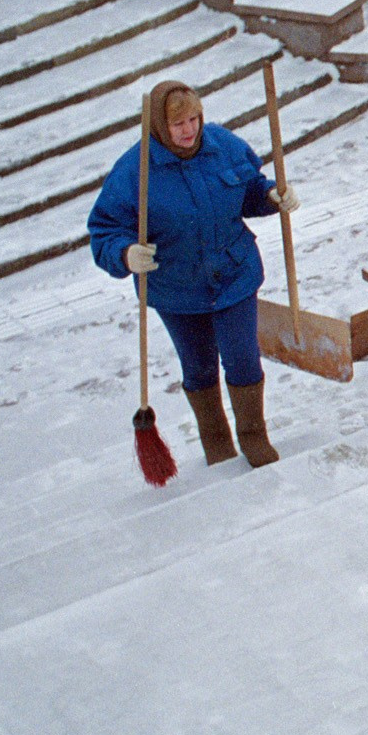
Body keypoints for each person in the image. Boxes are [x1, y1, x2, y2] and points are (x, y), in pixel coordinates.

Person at [87, 80, 300, 469]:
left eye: (193, 119)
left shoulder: (223, 146)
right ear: (157, 126)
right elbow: (104, 230)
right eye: (177, 124)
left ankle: (254, 436)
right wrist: (125, 253)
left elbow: (249, 190)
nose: (188, 130)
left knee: (243, 358)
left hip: (233, 274)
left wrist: (271, 197)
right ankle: (217, 444)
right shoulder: (136, 171)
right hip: (176, 289)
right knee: (199, 366)